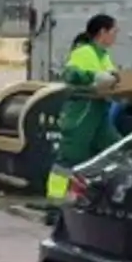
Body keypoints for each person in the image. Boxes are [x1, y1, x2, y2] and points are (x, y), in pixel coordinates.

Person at [49, 13, 120, 200]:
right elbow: (71, 74)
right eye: (114, 31)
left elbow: (110, 76)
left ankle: (94, 198)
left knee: (113, 151)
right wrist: (92, 77)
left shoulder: (102, 55)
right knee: (68, 160)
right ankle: (55, 205)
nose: (116, 35)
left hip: (99, 112)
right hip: (82, 113)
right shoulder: (83, 52)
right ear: (102, 32)